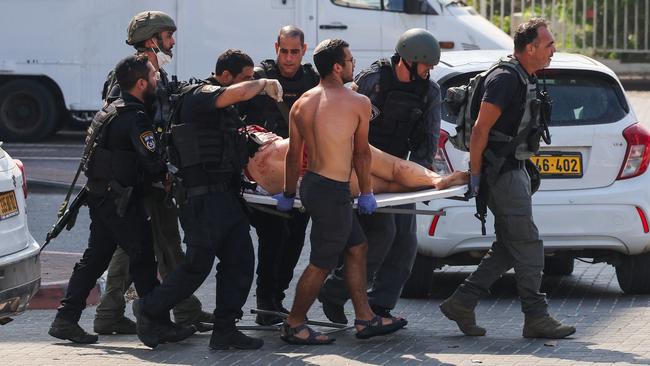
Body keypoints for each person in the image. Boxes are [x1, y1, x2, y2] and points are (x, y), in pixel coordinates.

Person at [133, 49, 283, 350]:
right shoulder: (200, 96)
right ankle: (149, 309)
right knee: (196, 267)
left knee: (241, 261)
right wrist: (264, 83)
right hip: (201, 201)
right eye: (244, 79)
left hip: (225, 197)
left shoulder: (223, 106)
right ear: (224, 76)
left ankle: (225, 329)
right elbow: (232, 94)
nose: (249, 84)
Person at [440, 18, 576, 339]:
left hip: (514, 170)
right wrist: (475, 175)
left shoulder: (521, 75)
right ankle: (536, 317)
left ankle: (462, 301)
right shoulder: (504, 78)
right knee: (528, 245)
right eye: (549, 45)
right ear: (530, 48)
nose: (553, 50)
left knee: (507, 247)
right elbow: (480, 130)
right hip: (502, 173)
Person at [48, 55, 193, 345]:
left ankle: (65, 319)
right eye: (152, 77)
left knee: (96, 258)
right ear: (141, 83)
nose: (156, 81)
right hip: (120, 201)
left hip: (102, 197)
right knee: (142, 258)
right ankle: (157, 324)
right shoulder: (135, 117)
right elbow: (152, 161)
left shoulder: (110, 110)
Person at [275, 39, 407, 345]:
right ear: (337, 67)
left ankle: (364, 318)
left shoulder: (302, 102)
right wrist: (367, 192)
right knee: (321, 262)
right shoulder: (357, 102)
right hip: (333, 191)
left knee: (358, 247)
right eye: (349, 60)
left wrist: (286, 192)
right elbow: (362, 155)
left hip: (313, 186)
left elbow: (294, 156)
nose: (353, 64)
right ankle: (294, 324)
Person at [95, 10, 214, 335]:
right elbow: (127, 124)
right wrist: (154, 167)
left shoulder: (151, 72)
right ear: (152, 40)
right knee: (157, 242)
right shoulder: (133, 75)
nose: (172, 41)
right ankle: (178, 309)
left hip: (151, 171)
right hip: (141, 175)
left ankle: (117, 312)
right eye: (168, 35)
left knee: (150, 242)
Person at [318, 28, 443, 324]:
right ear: (408, 61)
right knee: (381, 236)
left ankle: (380, 306)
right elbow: (344, 124)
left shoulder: (429, 91)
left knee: (406, 242)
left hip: (399, 170)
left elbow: (428, 139)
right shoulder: (371, 82)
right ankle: (335, 293)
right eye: (426, 65)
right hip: (362, 166)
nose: (429, 71)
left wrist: (421, 182)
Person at [239, 26, 320, 325]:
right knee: (273, 237)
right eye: (284, 51)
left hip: (300, 174)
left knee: (296, 238)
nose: (288, 58)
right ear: (276, 47)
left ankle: (277, 298)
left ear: (304, 50)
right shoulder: (258, 79)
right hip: (262, 177)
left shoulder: (312, 80)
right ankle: (265, 300)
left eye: (294, 52)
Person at [243, 126, 468, 195]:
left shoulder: (242, 171)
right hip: (313, 145)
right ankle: (436, 179)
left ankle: (434, 181)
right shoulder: (250, 131)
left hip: (306, 178)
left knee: (387, 186)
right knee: (392, 168)